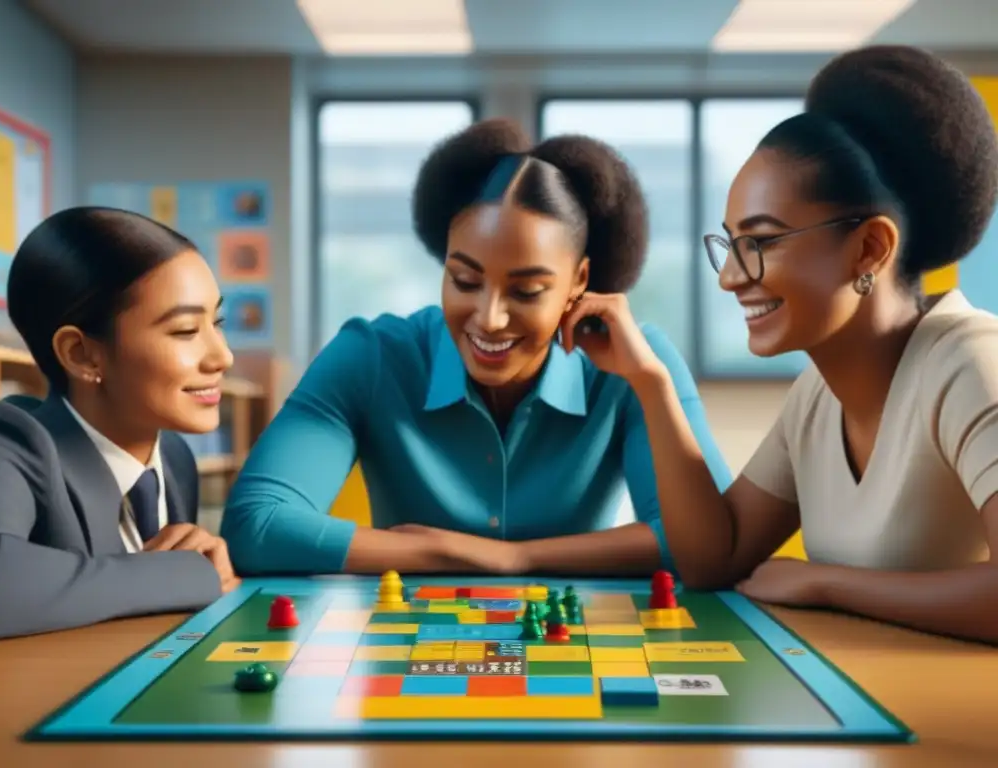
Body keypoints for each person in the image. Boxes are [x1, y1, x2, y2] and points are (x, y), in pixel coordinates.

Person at [222, 119, 731, 576]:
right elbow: (255, 525)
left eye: (526, 291)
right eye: (465, 280)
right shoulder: (371, 355)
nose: (489, 317)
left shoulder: (639, 361)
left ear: (579, 280)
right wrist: (449, 554)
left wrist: (517, 557)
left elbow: (708, 548)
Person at [641, 46, 998, 644]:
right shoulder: (817, 395)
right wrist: (649, 382)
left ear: (868, 250)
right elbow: (714, 559)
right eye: (729, 244)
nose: (730, 276)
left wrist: (827, 583)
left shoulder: (971, 363)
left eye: (763, 242)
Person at [0, 207, 239, 642]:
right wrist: (183, 574)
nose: (222, 357)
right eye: (186, 330)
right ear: (81, 354)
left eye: (217, 323)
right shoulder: (3, 440)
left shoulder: (173, 459)